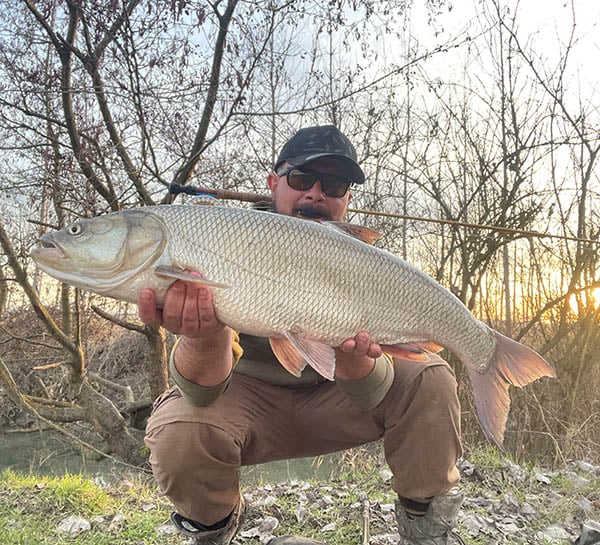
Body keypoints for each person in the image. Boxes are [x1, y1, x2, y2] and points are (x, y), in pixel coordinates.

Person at [139, 125, 464, 545]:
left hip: (337, 395)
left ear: (347, 199)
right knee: (179, 427)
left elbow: (369, 393)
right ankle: (211, 531)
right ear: (274, 184)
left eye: (333, 184)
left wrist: (352, 357)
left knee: (429, 378)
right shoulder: (220, 237)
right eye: (300, 179)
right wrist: (204, 336)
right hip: (244, 399)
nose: (315, 193)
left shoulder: (363, 262)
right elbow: (200, 393)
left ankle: (426, 532)